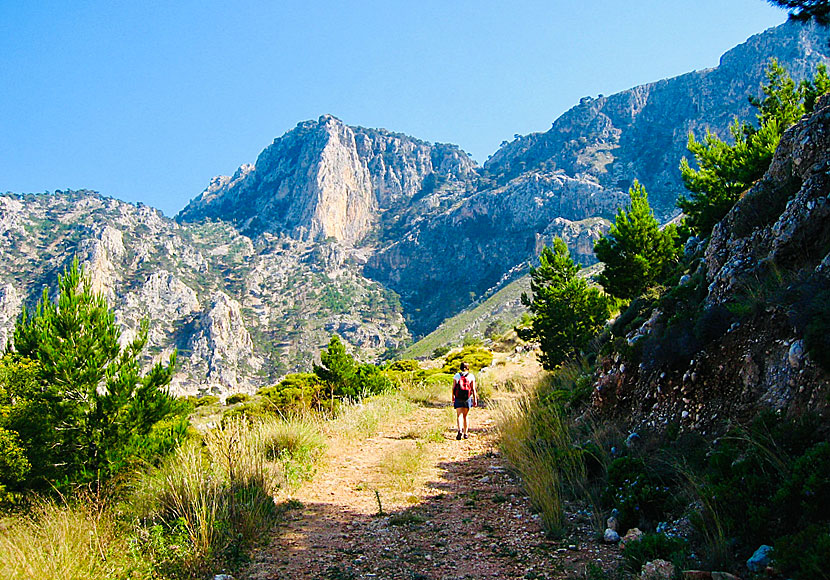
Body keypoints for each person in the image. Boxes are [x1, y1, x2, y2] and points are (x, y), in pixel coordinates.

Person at [452, 361, 477, 440]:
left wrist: (452, 396)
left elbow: (453, 387)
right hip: (467, 398)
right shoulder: (471, 376)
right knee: (465, 416)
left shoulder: (456, 375)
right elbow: (473, 389)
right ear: (468, 367)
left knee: (459, 415)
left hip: (458, 397)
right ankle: (465, 433)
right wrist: (475, 399)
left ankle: (459, 430)